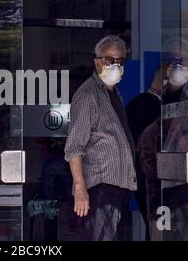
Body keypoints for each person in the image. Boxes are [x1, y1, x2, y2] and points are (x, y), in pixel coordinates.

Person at [64, 35, 137, 241]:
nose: (115, 65)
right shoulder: (89, 94)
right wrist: (80, 188)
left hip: (117, 187)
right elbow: (74, 147)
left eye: (120, 61)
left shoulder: (114, 95)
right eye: (109, 60)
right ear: (97, 62)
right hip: (99, 188)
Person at [138, 38, 188, 241]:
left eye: (182, 60)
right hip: (160, 187)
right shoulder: (160, 97)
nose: (177, 65)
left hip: (185, 187)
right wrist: (154, 168)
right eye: (172, 60)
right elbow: (146, 141)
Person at [126, 66, 165, 241]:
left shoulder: (136, 102)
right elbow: (149, 147)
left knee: (152, 227)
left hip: (138, 176)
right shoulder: (151, 106)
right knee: (157, 228)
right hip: (150, 178)